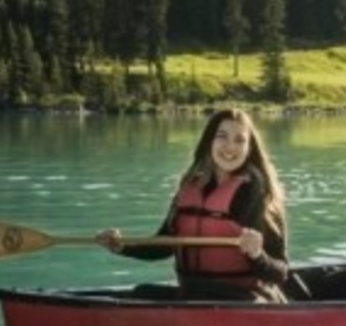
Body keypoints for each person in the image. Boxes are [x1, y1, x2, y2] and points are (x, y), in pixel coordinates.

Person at [97, 108, 291, 302]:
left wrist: (257, 256)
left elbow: (280, 273)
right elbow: (164, 245)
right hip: (193, 296)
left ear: (249, 149)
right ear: (209, 142)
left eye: (239, 140)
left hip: (243, 300)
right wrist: (122, 246)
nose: (230, 147)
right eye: (222, 137)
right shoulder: (190, 186)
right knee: (142, 292)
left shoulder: (256, 193)